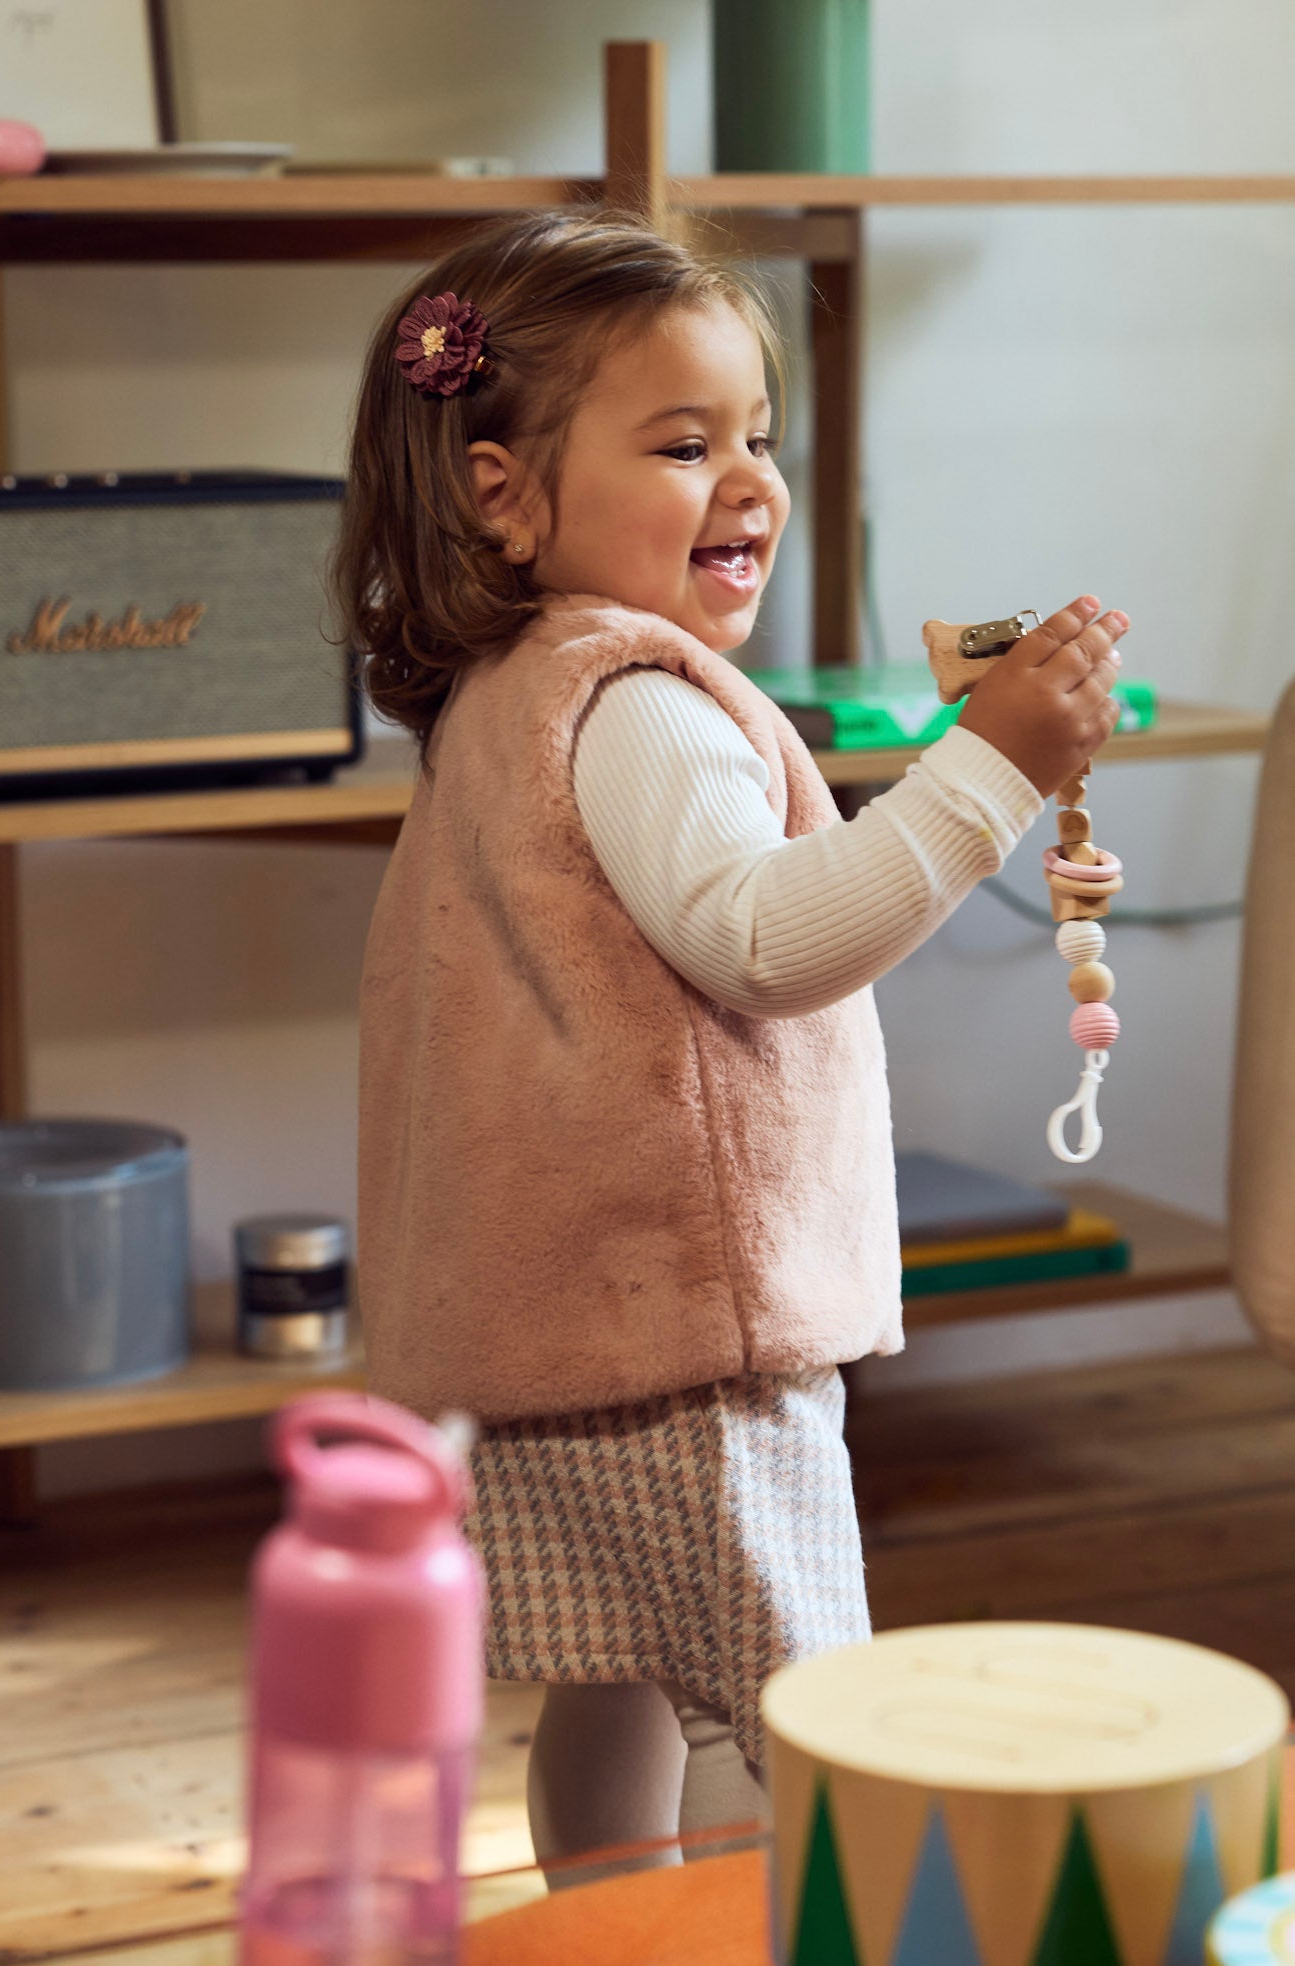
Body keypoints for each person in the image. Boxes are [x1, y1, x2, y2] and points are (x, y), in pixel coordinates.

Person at [338, 210, 1127, 1865]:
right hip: (680, 1328)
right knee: (789, 1707)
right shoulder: (636, 705)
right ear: (503, 488)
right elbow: (767, 942)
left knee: (619, 1684)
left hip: (568, 1319)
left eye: (755, 435)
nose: (748, 479)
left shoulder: (515, 692)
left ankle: (603, 1949)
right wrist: (982, 775)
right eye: (684, 443)